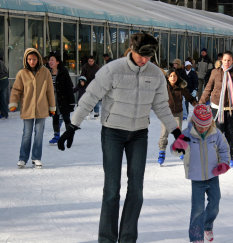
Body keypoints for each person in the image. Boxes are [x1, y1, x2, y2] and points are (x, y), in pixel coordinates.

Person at [57, 33, 189, 242]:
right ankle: (106, 239)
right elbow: (90, 96)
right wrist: (73, 125)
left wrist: (176, 132)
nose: (144, 60)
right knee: (112, 188)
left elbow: (162, 106)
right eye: (140, 55)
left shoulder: (155, 74)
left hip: (139, 134)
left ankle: (127, 238)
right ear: (132, 50)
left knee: (136, 189)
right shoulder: (113, 70)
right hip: (113, 132)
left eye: (148, 56)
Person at [170, 104, 230, 243]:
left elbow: (224, 149)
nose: (203, 128)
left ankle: (207, 225)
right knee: (197, 209)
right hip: (196, 178)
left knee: (215, 203)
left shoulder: (216, 133)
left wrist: (224, 163)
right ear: (194, 122)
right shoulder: (186, 134)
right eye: (200, 125)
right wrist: (178, 147)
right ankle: (196, 237)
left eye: (206, 125)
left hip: (213, 175)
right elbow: (174, 152)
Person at [199, 51, 233, 167]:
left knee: (229, 132)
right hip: (217, 108)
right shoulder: (215, 72)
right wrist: (201, 103)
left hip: (232, 108)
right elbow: (208, 88)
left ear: (232, 61)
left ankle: (230, 156)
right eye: (225, 60)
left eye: (229, 60)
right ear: (221, 61)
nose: (227, 62)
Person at [9, 48, 56, 168]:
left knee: (39, 134)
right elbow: (16, 90)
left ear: (38, 59)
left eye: (34, 59)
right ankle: (23, 158)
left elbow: (50, 91)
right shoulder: (22, 73)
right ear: (26, 60)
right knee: (27, 134)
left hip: (42, 108)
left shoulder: (45, 72)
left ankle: (36, 158)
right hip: (27, 108)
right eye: (29, 59)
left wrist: (52, 107)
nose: (32, 61)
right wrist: (13, 103)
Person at [158, 68, 197, 165]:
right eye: (171, 76)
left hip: (177, 113)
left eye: (174, 76)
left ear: (177, 77)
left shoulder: (181, 87)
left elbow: (189, 97)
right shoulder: (163, 86)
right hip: (166, 113)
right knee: (164, 133)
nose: (173, 78)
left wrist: (196, 104)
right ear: (167, 77)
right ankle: (162, 151)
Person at [47, 52, 75, 144]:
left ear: (57, 62)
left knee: (66, 118)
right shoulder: (48, 72)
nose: (50, 62)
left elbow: (69, 86)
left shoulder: (63, 71)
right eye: (49, 60)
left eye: (52, 60)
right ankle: (56, 136)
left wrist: (71, 102)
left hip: (64, 99)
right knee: (55, 117)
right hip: (53, 99)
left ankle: (69, 135)